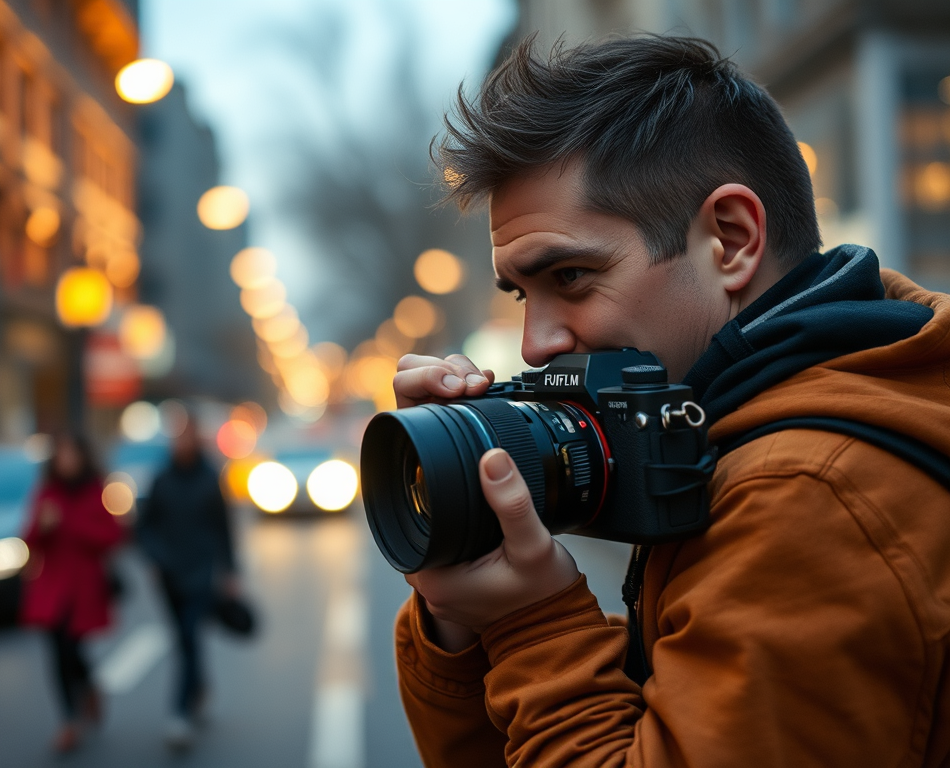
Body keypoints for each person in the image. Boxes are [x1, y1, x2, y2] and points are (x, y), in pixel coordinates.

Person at [391, 35, 950, 767]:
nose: (534, 346)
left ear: (731, 240)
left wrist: (533, 625)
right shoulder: (735, 421)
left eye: (571, 276)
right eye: (522, 294)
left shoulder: (806, 492)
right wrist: (462, 595)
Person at [135, 411, 238, 750]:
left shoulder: (210, 478)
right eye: (178, 437)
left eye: (188, 437)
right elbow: (145, 526)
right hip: (169, 574)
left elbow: (224, 528)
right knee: (184, 638)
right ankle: (199, 686)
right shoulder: (162, 479)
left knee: (190, 636)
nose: (182, 443)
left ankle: (179, 713)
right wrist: (153, 558)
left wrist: (230, 571)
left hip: (201, 572)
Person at [20, 432, 124, 754]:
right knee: (57, 651)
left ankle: (88, 687)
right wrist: (44, 526)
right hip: (52, 586)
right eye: (61, 456)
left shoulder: (96, 490)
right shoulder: (47, 493)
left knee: (72, 648)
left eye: (71, 454)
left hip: (84, 587)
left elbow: (112, 536)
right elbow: (30, 537)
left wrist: (70, 525)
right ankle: (68, 719)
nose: (66, 461)